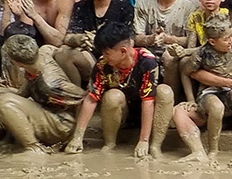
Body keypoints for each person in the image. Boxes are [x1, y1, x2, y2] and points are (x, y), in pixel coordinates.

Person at [63, 21, 174, 159]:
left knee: (165, 92)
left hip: (147, 110)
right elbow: (92, 98)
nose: (104, 55)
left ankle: (155, 146)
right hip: (122, 112)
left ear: (123, 51)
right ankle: (110, 143)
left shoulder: (147, 61)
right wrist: (77, 137)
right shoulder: (103, 64)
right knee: (112, 96)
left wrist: (143, 141)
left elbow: (148, 100)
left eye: (107, 52)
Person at [171, 13, 232, 162]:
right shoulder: (202, 53)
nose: (230, 41)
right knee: (216, 107)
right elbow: (186, 73)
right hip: (209, 93)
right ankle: (213, 149)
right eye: (226, 39)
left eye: (231, 36)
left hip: (231, 92)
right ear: (212, 41)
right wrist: (191, 99)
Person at [0, 36, 88, 154]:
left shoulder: (51, 83)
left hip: (62, 123)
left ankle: (34, 148)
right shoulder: (38, 58)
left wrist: (76, 138)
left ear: (17, 63)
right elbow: (25, 91)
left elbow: (84, 99)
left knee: (5, 103)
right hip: (47, 109)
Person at [56, 0, 135, 86]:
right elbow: (68, 37)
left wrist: (102, 42)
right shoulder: (81, 6)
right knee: (62, 54)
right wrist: (81, 38)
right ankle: (77, 93)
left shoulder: (124, 8)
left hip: (114, 58)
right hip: (90, 56)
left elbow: (130, 41)